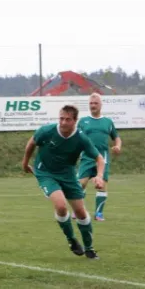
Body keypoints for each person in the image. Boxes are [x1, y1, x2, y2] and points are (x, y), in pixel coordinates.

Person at [22, 105, 106, 259]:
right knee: (61, 205)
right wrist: (25, 163)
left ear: (75, 121)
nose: (63, 122)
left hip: (68, 175)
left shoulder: (80, 138)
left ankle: (89, 248)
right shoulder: (46, 131)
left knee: (81, 212)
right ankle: (71, 239)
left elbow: (99, 158)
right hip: (45, 173)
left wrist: (99, 175)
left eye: (68, 119)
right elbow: (31, 144)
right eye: (61, 118)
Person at [74, 92, 122, 221]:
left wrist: (118, 146)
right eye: (91, 103)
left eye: (95, 103)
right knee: (80, 184)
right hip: (87, 157)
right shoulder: (83, 121)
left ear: (101, 105)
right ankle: (78, 210)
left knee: (101, 185)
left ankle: (99, 213)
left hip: (103, 157)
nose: (93, 105)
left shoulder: (107, 122)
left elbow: (116, 137)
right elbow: (76, 139)